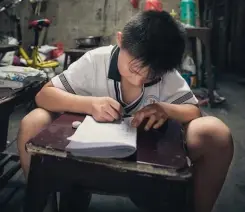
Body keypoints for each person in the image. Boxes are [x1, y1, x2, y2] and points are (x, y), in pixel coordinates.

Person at [18, 11, 233, 212]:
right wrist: (89, 105)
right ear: (120, 40)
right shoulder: (95, 61)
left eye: (150, 77)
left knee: (216, 132)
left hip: (148, 162)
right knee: (33, 121)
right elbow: (43, 96)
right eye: (134, 68)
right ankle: (45, 205)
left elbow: (192, 111)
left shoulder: (164, 72)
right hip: (82, 152)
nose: (139, 80)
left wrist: (165, 109)